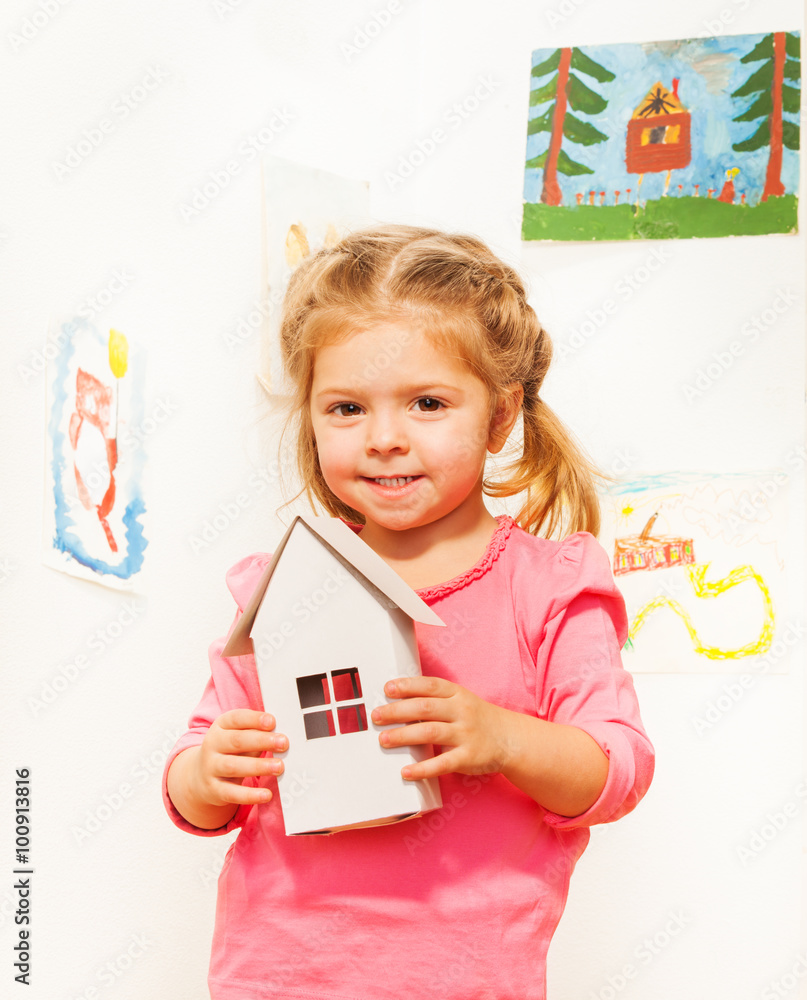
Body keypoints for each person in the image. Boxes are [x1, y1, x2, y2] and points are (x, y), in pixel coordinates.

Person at [163, 224, 654, 1000]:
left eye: (427, 403)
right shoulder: (283, 584)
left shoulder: (550, 585)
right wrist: (208, 771)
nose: (384, 439)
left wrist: (501, 737)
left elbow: (618, 768)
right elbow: (194, 781)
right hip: (274, 978)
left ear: (499, 415)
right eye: (346, 408)